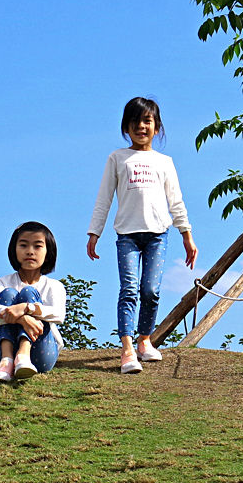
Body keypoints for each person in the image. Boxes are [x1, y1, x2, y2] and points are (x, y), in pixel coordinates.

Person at [87, 97, 198, 374]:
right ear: (126, 127)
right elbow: (104, 198)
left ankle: (144, 340)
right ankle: (126, 350)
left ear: (157, 127)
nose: (141, 126)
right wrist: (94, 232)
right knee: (129, 289)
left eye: (147, 121)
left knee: (151, 291)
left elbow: (176, 200)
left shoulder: (164, 162)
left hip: (158, 235)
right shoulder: (117, 158)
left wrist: (187, 234)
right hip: (127, 235)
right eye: (135, 121)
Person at [0, 221, 67, 383]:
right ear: (14, 250)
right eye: (23, 245)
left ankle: (24, 355)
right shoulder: (3, 282)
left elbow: (59, 314)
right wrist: (22, 318)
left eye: (37, 246)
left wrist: (27, 307)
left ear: (48, 251)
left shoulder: (54, 286)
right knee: (8, 293)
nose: (30, 252)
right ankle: (6, 362)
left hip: (43, 353)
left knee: (29, 292)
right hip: (5, 350)